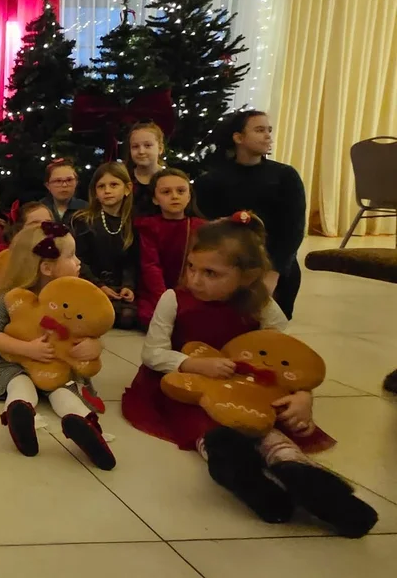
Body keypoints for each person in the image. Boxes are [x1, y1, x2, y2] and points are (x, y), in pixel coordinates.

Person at [122, 213, 377, 537]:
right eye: (191, 267)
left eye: (211, 273)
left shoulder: (261, 304)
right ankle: (236, 469)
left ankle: (296, 469)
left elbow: (289, 357)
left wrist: (303, 395)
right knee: (206, 421)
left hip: (249, 383)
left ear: (248, 276)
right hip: (186, 383)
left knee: (263, 421)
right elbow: (153, 353)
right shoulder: (174, 299)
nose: (195, 279)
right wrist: (192, 364)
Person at [0, 220, 114, 470]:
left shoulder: (79, 297)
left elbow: (92, 329)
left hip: (59, 364)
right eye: (71, 256)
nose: (79, 262)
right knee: (19, 381)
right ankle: (20, 411)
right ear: (47, 268)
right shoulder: (15, 298)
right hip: (15, 362)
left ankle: (82, 423)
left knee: (64, 390)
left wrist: (94, 346)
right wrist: (27, 349)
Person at [194, 111, 306, 319]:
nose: (268, 136)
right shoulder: (211, 180)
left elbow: (293, 230)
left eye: (269, 130)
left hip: (275, 262)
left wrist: (273, 273)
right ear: (239, 138)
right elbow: (208, 230)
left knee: (269, 325)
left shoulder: (285, 176)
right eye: (259, 130)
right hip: (227, 263)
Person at [135, 168, 206, 329]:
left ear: (189, 196)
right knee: (151, 317)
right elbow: (150, 265)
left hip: (191, 288)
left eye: (181, 191)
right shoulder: (148, 227)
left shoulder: (200, 227)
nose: (174, 196)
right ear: (155, 199)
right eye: (166, 192)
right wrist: (164, 299)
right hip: (157, 292)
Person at [72, 163, 139, 330]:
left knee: (128, 317)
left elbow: (132, 260)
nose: (107, 190)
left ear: (127, 189)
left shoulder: (132, 222)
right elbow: (79, 259)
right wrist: (99, 285)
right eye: (101, 186)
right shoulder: (84, 221)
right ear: (95, 192)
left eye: (114, 185)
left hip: (119, 286)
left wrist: (128, 286)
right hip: (91, 284)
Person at [126, 121, 166, 217]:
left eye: (147, 145)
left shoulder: (171, 179)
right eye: (135, 146)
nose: (141, 151)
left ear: (160, 148)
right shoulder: (124, 179)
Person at [40, 158, 87, 224]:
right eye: (58, 181)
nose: (64, 185)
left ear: (76, 183)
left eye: (69, 180)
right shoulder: (38, 209)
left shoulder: (87, 210)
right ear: (48, 186)